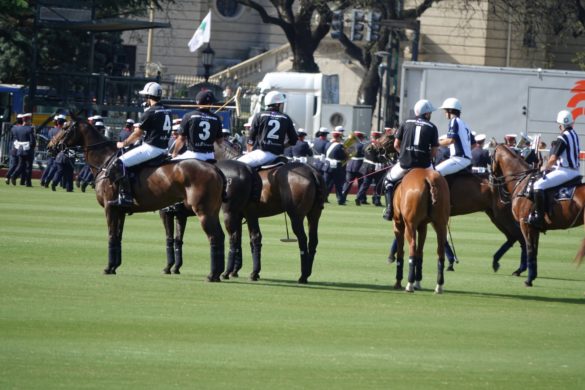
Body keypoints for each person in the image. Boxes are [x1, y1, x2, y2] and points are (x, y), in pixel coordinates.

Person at [109, 81, 172, 207]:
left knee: (119, 163)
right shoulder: (167, 110)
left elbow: (137, 134)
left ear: (148, 97)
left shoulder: (150, 112)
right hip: (164, 149)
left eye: (145, 96)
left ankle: (126, 196)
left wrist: (124, 143)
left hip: (151, 148)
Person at [383, 99, 439, 220]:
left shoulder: (405, 122)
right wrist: (426, 157)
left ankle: (389, 210)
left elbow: (396, 145)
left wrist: (404, 154)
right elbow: (434, 152)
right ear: (426, 113)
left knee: (387, 181)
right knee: (438, 183)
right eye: (430, 113)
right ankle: (439, 211)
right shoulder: (432, 127)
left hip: (405, 164)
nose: (430, 115)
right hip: (424, 165)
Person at [526, 110, 581, 228]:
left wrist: (543, 167)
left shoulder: (562, 137)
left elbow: (553, 159)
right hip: (575, 171)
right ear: (571, 123)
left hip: (565, 171)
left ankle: (539, 218)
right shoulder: (574, 134)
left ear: (560, 125)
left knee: (538, 185)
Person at [238, 90, 298, 168]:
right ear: (277, 104)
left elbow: (250, 139)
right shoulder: (286, 118)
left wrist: (250, 152)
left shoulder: (259, 115)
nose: (282, 106)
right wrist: (282, 146)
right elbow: (294, 140)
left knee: (237, 165)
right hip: (277, 154)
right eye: (282, 104)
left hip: (262, 153)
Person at [172, 90, 223, 161]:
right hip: (210, 155)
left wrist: (174, 153)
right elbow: (220, 141)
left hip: (193, 154)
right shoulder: (216, 118)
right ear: (209, 103)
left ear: (197, 102)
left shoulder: (188, 116)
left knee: (172, 163)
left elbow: (181, 139)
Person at [435, 97, 472, 176]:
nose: (445, 113)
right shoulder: (465, 124)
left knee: (435, 173)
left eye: (445, 111)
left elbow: (450, 140)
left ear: (450, 111)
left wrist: (435, 143)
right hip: (465, 159)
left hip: (459, 159)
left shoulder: (454, 120)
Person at [6, 113, 36, 187]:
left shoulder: (17, 128)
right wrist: (32, 147)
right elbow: (33, 142)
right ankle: (28, 183)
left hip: (19, 149)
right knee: (28, 167)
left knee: (20, 165)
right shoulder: (30, 129)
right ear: (28, 120)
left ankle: (14, 176)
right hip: (28, 150)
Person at [323, 128, 348, 205]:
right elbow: (343, 156)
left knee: (326, 183)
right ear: (338, 137)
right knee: (338, 184)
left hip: (327, 166)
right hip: (337, 167)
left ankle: (322, 198)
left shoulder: (327, 144)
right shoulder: (340, 146)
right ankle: (340, 199)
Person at [41, 114, 67, 187]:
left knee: (49, 166)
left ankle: (43, 180)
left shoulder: (51, 130)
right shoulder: (62, 131)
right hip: (59, 151)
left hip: (51, 150)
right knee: (59, 168)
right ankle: (61, 183)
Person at [341, 131, 366, 205]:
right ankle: (360, 198)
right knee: (361, 183)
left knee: (348, 183)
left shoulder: (351, 145)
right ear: (360, 138)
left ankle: (343, 197)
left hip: (350, 165)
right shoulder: (362, 145)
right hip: (359, 166)